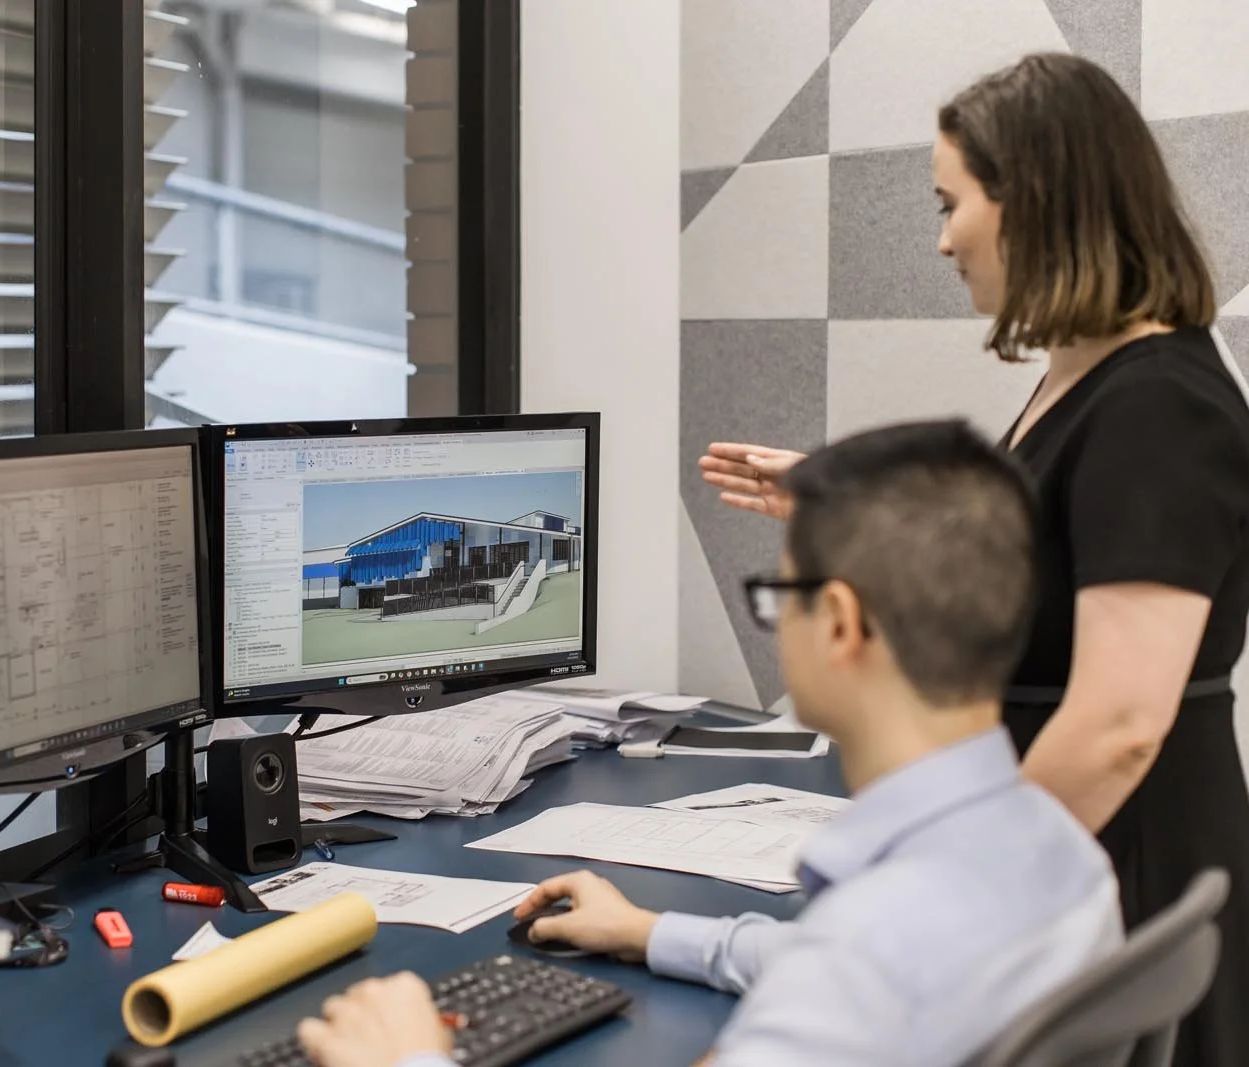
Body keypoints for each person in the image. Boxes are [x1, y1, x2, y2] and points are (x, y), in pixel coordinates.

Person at [699, 52, 1249, 1067]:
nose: (943, 238)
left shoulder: (1157, 407)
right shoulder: (1092, 375)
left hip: (1117, 843)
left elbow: (1120, 724)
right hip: (1082, 844)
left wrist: (948, 899)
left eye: (952, 204)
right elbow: (1039, 542)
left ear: (1034, 199)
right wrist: (844, 504)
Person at [296, 421, 1122, 1067]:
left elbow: (860, 968)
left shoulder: (868, 951)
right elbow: (861, 965)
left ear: (839, 623)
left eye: (779, 592)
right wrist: (651, 932)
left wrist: (409, 1058)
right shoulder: (1059, 849)